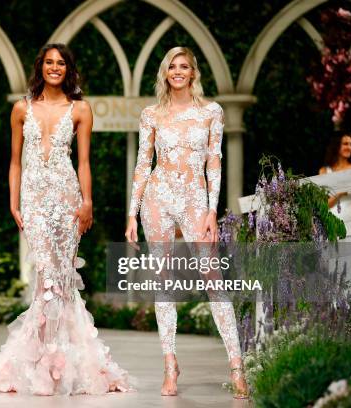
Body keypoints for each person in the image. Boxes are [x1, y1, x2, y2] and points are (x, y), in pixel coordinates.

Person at [0, 43, 132, 395]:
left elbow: (83, 162)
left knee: (63, 279)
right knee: (47, 276)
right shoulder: (21, 108)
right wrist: (13, 202)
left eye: (61, 63)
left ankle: (61, 363)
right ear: (41, 67)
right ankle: (42, 364)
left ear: (69, 69)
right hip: (34, 199)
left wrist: (87, 202)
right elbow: (15, 161)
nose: (55, 68)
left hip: (67, 197)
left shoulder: (81, 109)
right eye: (49, 62)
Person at [124, 47, 248, 398]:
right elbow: (142, 163)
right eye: (172, 67)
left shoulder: (212, 112)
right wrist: (131, 212)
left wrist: (211, 211)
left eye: (184, 67)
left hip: (195, 197)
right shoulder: (151, 114)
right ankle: (169, 364)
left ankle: (237, 366)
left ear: (193, 73)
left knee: (213, 276)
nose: (177, 72)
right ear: (165, 73)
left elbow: (214, 163)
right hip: (157, 198)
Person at [319, 131, 351, 217]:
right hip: (335, 222)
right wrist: (340, 192)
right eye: (345, 144)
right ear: (336, 146)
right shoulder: (324, 171)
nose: (350, 147)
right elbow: (323, 206)